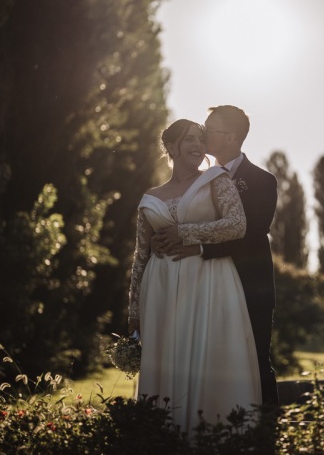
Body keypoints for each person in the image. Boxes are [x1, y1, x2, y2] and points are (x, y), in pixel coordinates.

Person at [127, 119, 261, 435]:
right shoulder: (150, 196)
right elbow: (140, 256)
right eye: (189, 139)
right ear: (170, 147)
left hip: (208, 281)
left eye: (201, 139)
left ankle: (215, 435)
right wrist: (134, 312)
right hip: (159, 289)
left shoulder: (217, 179)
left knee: (209, 358)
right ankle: (163, 438)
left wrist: (184, 233)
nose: (198, 146)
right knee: (165, 365)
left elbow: (236, 225)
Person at [156, 105, 279, 410]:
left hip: (250, 283)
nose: (203, 134)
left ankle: (265, 431)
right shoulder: (198, 180)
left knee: (255, 358)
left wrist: (197, 244)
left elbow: (250, 233)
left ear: (232, 137)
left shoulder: (263, 181)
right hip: (205, 283)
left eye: (210, 129)